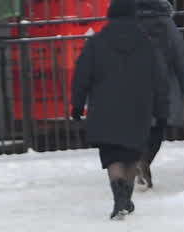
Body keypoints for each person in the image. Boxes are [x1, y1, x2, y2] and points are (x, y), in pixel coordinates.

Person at [69, 0, 169, 219]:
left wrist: (77, 105)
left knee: (113, 156)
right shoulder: (147, 44)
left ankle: (119, 199)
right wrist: (162, 112)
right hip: (138, 109)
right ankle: (126, 198)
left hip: (105, 109)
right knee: (132, 155)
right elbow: (160, 80)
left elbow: (81, 76)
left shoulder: (95, 43)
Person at [134, 0, 184, 189]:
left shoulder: (128, 22)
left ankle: (139, 161)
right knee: (157, 129)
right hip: (162, 84)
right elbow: (180, 55)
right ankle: (145, 162)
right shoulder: (166, 23)